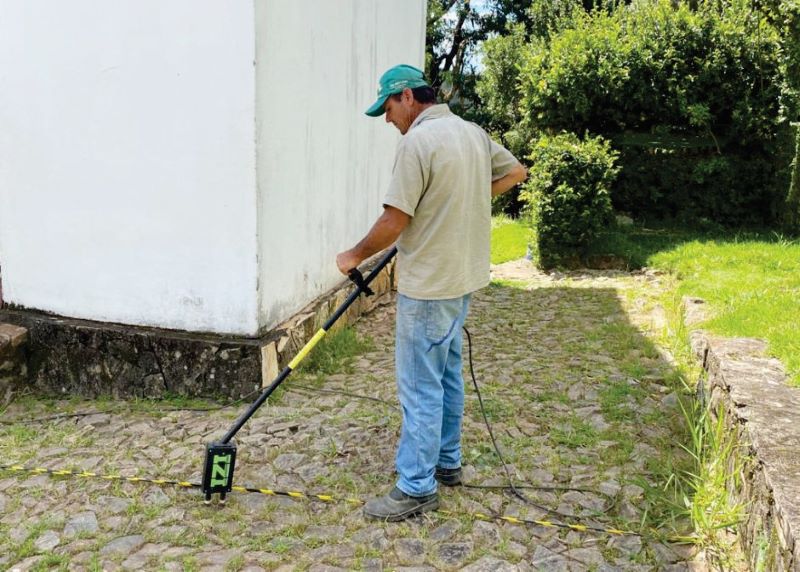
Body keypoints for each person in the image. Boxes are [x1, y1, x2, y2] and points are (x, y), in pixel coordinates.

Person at [336, 64, 527, 521]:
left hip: (428, 286)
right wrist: (459, 199)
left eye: (387, 108)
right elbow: (516, 172)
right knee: (446, 374)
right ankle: (447, 460)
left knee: (421, 383)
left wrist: (353, 255)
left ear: (406, 97)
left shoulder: (418, 142)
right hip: (462, 279)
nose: (387, 120)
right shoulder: (471, 133)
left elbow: (394, 220)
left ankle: (416, 486)